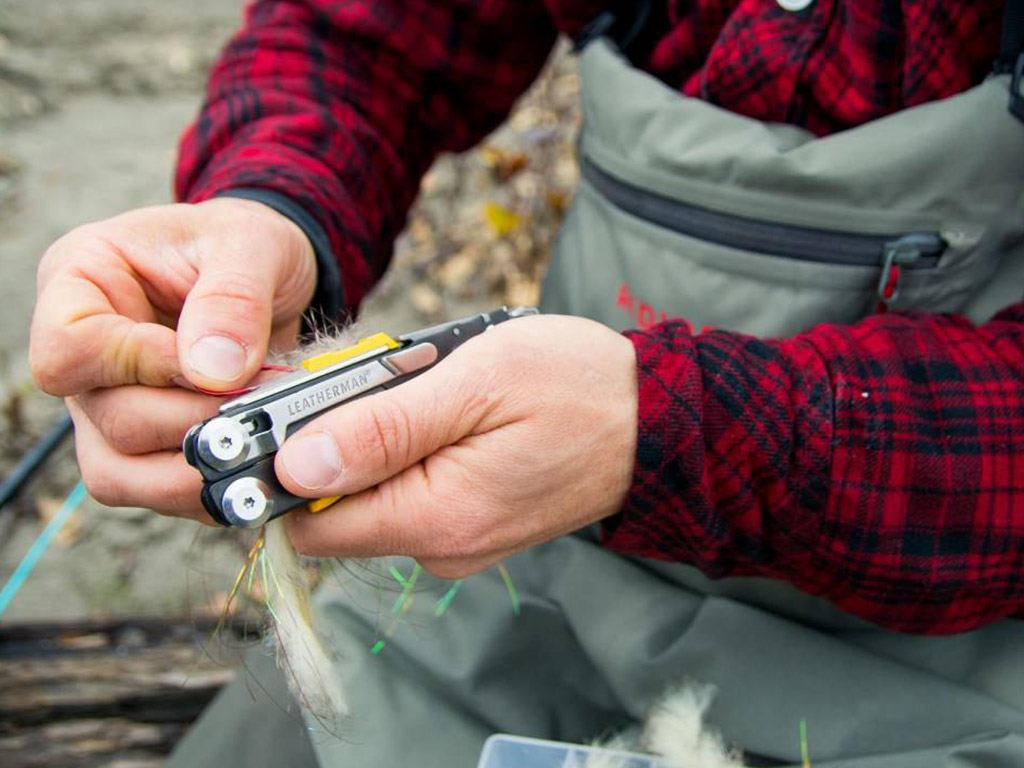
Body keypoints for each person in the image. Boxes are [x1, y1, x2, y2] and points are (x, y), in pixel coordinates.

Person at [28, 0, 1024, 766]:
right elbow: (370, 38)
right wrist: (269, 206)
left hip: (959, 653)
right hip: (516, 564)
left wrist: (658, 435)